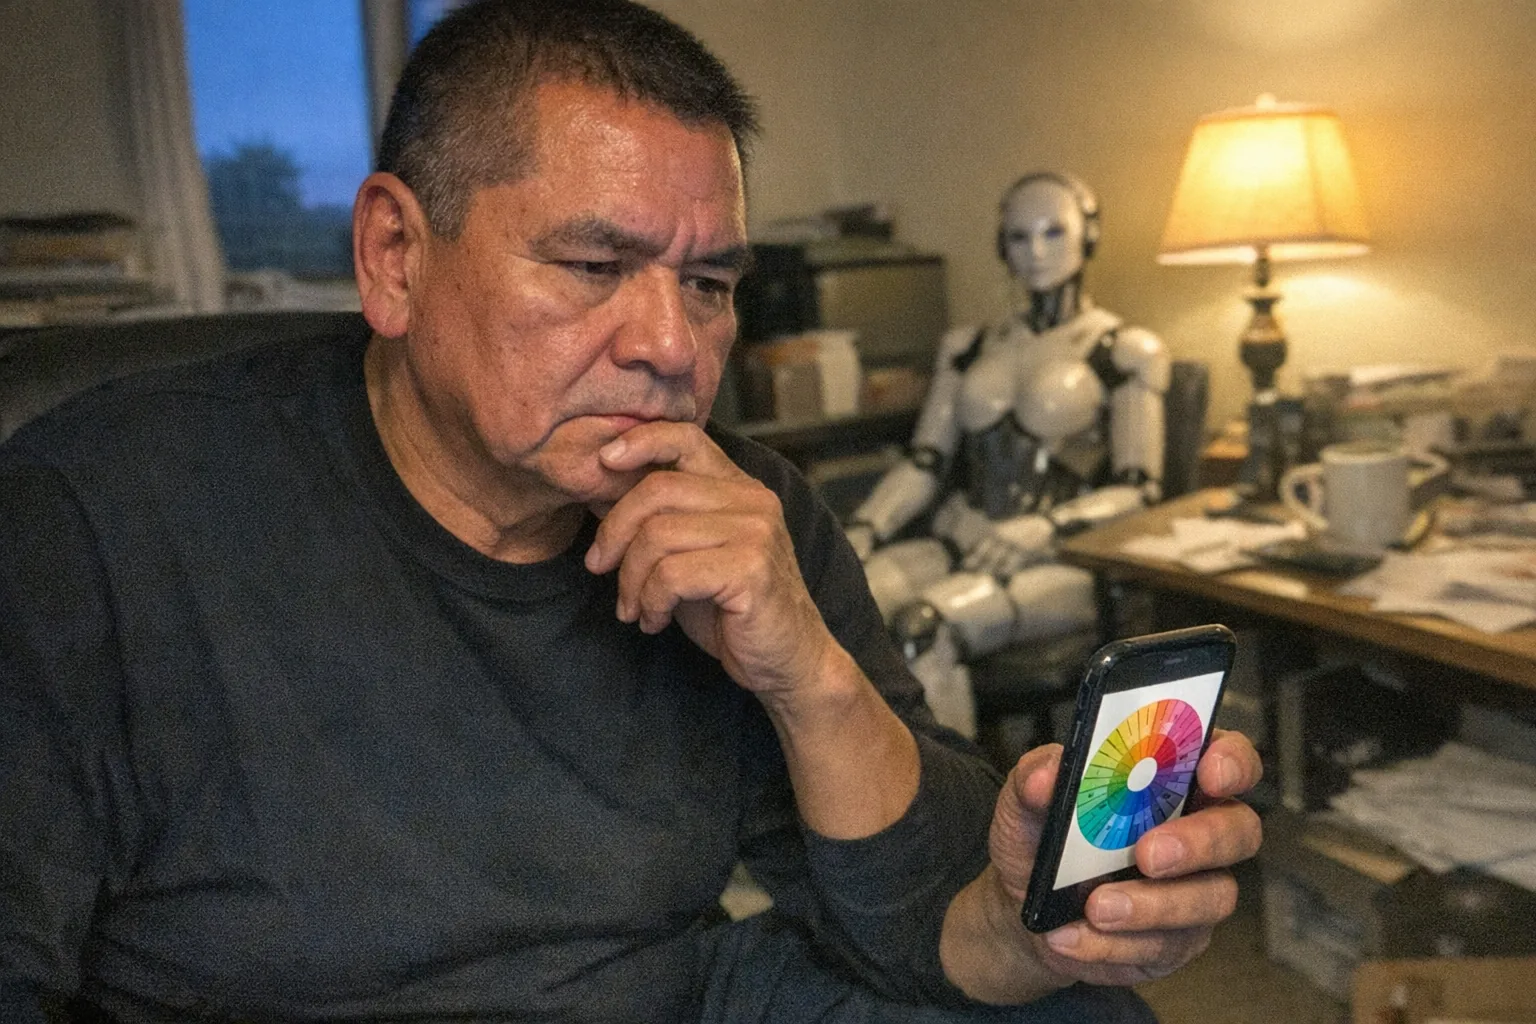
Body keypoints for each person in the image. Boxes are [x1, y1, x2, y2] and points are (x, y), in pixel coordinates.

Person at [0, 2, 1262, 1021]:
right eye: (596, 265)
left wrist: (810, 676)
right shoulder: (95, 517)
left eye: (708, 283)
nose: (669, 345)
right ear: (394, 255)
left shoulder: (743, 511)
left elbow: (924, 934)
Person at [846, 173, 1170, 734]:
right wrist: (864, 528)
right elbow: (926, 460)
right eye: (1020, 236)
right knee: (844, 600)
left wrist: (1043, 528)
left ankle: (960, 788)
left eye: (1053, 232)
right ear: (1002, 246)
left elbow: (1141, 490)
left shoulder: (1124, 350)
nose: (1036, 251)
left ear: (1088, 236)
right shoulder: (967, 347)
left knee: (922, 625)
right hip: (964, 536)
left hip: (1061, 560)